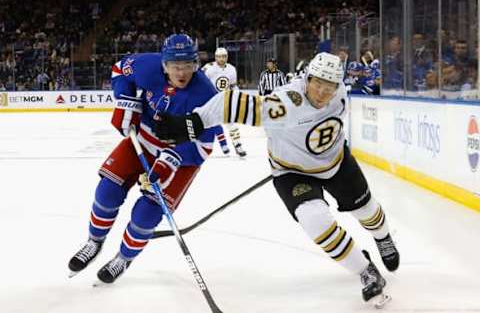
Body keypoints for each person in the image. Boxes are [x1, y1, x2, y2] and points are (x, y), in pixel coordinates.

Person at [153, 52, 400, 306]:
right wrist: (192, 123)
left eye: (329, 86)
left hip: (336, 163)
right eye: (317, 83)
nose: (322, 92)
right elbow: (230, 102)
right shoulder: (285, 104)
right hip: (291, 172)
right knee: (314, 220)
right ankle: (366, 271)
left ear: (338, 86)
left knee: (367, 212)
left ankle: (383, 238)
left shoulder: (339, 93)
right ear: (307, 79)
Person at [68, 34, 220, 284]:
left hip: (181, 155)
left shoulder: (206, 95)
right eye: (175, 66)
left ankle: (124, 258)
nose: (181, 73)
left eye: (187, 66)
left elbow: (204, 147)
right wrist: (125, 102)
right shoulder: (147, 66)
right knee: (107, 192)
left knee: (146, 214)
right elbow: (120, 70)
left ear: (196, 64)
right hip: (143, 139)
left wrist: (170, 160)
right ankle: (94, 242)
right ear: (164, 65)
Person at [202, 47, 246, 157]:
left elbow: (233, 85)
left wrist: (237, 95)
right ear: (216, 57)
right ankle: (216, 145)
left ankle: (237, 145)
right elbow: (201, 81)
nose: (221, 59)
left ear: (226, 57)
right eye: (219, 56)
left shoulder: (231, 69)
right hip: (212, 101)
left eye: (223, 56)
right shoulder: (209, 68)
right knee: (208, 123)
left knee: (231, 123)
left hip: (225, 99)